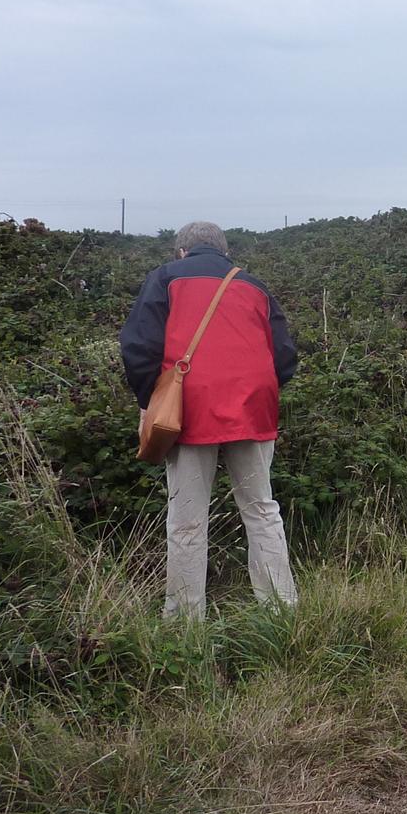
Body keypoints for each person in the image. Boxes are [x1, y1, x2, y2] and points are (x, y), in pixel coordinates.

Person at [121, 221, 301, 620]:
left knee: (187, 520)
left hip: (190, 410)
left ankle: (185, 623)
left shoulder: (165, 278)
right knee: (261, 510)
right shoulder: (254, 285)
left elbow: (139, 346)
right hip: (253, 409)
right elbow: (285, 357)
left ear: (181, 251)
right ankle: (281, 611)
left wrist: (148, 401)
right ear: (225, 252)